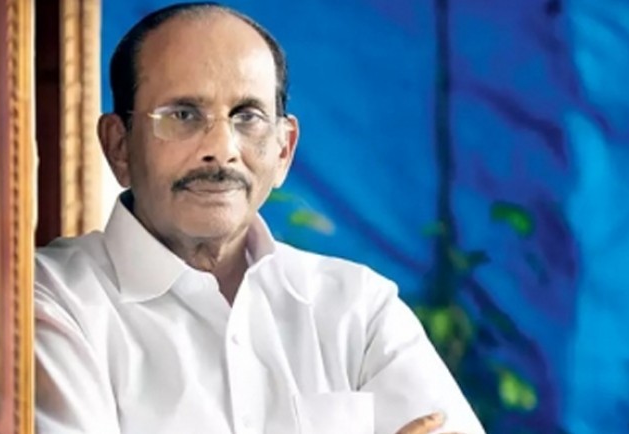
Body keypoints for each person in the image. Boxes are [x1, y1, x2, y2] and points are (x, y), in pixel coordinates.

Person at [34, 2, 485, 433]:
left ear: (284, 150)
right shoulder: (52, 300)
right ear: (119, 146)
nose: (222, 149)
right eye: (183, 115)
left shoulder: (358, 309)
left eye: (247, 116)